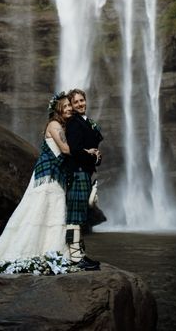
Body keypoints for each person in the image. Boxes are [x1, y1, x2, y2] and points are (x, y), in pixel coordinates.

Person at [0, 92, 73, 277]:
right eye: (66, 105)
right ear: (58, 109)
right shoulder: (54, 125)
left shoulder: (60, 126)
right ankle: (46, 251)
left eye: (70, 105)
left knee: (50, 209)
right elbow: (65, 149)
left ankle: (50, 250)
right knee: (42, 208)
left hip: (53, 174)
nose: (70, 108)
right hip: (47, 175)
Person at [65, 88, 103, 271]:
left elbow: (91, 149)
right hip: (78, 172)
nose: (80, 104)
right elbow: (75, 150)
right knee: (74, 215)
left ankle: (79, 253)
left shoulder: (87, 122)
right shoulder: (73, 123)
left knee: (80, 215)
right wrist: (91, 156)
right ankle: (75, 257)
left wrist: (96, 156)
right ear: (71, 106)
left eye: (82, 100)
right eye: (76, 102)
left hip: (85, 172)